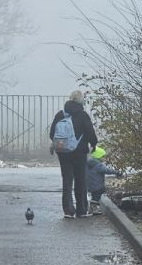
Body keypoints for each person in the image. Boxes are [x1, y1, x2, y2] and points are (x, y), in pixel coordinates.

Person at [49, 90, 98, 218]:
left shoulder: (61, 114)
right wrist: (93, 144)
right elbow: (90, 132)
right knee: (80, 180)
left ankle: (68, 211)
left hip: (63, 152)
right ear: (81, 101)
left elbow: (52, 133)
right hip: (79, 152)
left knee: (67, 180)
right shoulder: (83, 115)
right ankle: (82, 210)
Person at [85, 146, 122, 213]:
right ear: (99, 156)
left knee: (94, 195)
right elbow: (107, 170)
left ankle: (91, 209)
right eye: (103, 156)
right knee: (97, 197)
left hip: (90, 184)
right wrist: (116, 172)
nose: (104, 158)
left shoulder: (88, 163)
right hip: (97, 185)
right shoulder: (98, 165)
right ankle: (94, 209)